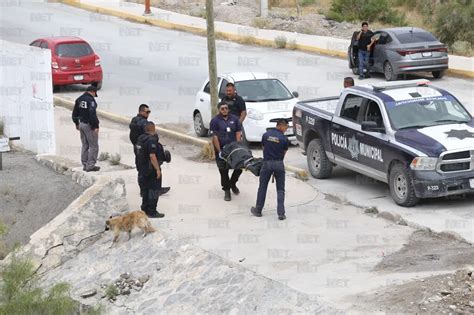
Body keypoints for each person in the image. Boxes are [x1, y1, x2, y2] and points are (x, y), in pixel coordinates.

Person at [251, 118, 289, 220]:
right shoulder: (284, 139)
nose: (286, 129)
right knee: (280, 189)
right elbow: (283, 153)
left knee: (262, 187)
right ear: (280, 125)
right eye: (286, 127)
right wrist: (277, 161)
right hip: (279, 164)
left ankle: (258, 210)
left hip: (267, 163)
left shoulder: (266, 135)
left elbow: (264, 148)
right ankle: (281, 213)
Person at [129, 104, 170, 196]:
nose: (149, 114)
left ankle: (143, 190)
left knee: (141, 169)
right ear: (141, 111)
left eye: (149, 112)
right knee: (154, 167)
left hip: (138, 148)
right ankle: (156, 189)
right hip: (147, 149)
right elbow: (150, 134)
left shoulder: (134, 120)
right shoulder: (143, 123)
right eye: (147, 112)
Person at [210, 103, 243, 201]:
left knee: (239, 167)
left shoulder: (235, 119)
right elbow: (214, 137)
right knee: (223, 171)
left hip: (233, 149)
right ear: (219, 110)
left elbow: (238, 133)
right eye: (222, 108)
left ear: (228, 109)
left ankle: (232, 183)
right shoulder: (215, 121)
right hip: (221, 149)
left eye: (226, 108)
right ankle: (227, 190)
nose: (224, 110)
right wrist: (219, 151)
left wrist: (238, 147)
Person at [135, 121, 165, 218]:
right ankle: (152, 211)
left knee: (145, 190)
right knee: (154, 190)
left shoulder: (140, 138)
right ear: (153, 128)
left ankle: (144, 209)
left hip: (142, 169)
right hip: (150, 169)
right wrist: (157, 169)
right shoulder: (151, 140)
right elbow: (152, 156)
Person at [72, 85, 100, 172]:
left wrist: (76, 123)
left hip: (81, 124)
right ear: (93, 92)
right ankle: (90, 166)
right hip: (89, 125)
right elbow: (92, 114)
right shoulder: (90, 100)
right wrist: (95, 126)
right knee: (93, 146)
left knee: (85, 145)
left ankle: (85, 164)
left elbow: (74, 113)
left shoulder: (79, 99)